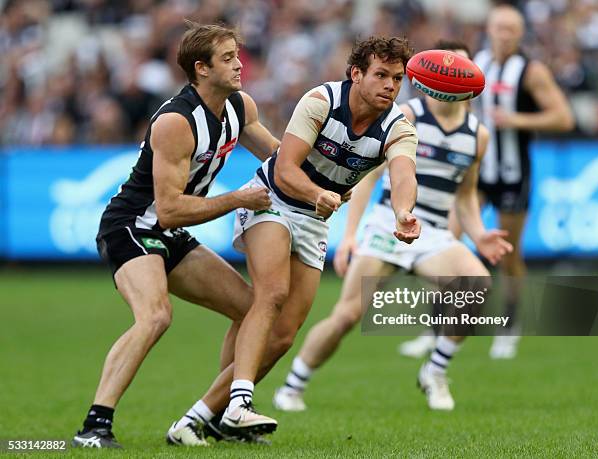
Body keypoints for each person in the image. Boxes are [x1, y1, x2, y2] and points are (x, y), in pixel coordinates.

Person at [171, 36, 420, 440]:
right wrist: (318, 193)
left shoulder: (398, 127)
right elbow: (285, 168)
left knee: (284, 334)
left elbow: (403, 174)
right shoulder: (321, 101)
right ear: (356, 74)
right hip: (272, 200)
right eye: (381, 75)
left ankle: (198, 418)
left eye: (396, 77)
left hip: (315, 221)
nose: (390, 85)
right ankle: (240, 405)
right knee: (271, 294)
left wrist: (404, 211)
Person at [273, 41, 513, 413]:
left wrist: (479, 234)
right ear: (435, 75)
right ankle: (293, 385)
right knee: (347, 315)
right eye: (448, 69)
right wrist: (351, 235)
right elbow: (367, 178)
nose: (454, 76)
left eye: (462, 70)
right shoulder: (406, 115)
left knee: (476, 285)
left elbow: (465, 194)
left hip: (430, 232)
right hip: (388, 223)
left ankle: (434, 370)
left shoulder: (477, 135)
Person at [72, 21, 280, 449]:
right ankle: (95, 426)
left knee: (251, 313)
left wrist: (334, 169)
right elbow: (167, 210)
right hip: (132, 226)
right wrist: (239, 199)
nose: (240, 64)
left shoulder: (240, 107)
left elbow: (282, 159)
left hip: (171, 233)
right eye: (227, 58)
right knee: (156, 316)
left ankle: (221, 415)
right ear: (201, 69)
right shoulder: (175, 121)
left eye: (237, 55)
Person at [469, 4, 575, 359]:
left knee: (508, 254)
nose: (504, 34)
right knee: (449, 235)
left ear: (520, 33)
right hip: (479, 170)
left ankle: (509, 323)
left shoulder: (531, 72)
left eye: (511, 29)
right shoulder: (475, 64)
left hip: (514, 173)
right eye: (499, 27)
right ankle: (442, 322)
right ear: (489, 28)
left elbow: (563, 117)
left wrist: (516, 120)